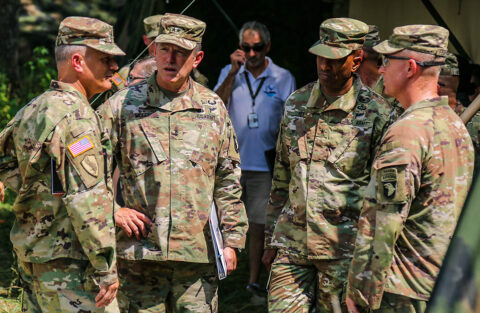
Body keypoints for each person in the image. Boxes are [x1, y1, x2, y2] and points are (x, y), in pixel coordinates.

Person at [97, 13, 248, 312]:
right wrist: (112, 209)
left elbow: (228, 177)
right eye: (165, 49)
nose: (171, 58)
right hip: (139, 256)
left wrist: (232, 240)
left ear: (197, 58)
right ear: (153, 50)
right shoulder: (123, 104)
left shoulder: (212, 108)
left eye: (181, 52)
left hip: (197, 258)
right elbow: (88, 172)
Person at [261, 18, 393, 313]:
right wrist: (271, 238)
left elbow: (383, 194)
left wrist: (374, 256)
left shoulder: (377, 114)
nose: (324, 66)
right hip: (292, 245)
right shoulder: (297, 103)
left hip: (343, 250)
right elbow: (282, 175)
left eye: (334, 59)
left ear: (357, 59)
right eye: (321, 56)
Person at [346, 25, 474, 313]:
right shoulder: (454, 125)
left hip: (402, 291)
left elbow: (384, 223)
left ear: (410, 68)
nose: (381, 70)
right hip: (444, 284)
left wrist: (360, 290)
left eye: (388, 61)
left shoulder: (407, 132)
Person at [0, 16, 125, 312]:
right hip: (71, 268)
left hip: (33, 259)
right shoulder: (78, 119)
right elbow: (86, 200)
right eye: (106, 59)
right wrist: (105, 267)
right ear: (78, 61)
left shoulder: (34, 108)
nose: (115, 67)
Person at [214, 21, 295, 300]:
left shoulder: (282, 77)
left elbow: (290, 120)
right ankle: (222, 275)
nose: (251, 53)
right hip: (231, 163)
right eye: (246, 48)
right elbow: (214, 108)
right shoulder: (230, 72)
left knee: (259, 225)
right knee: (224, 220)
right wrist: (233, 74)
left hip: (264, 163)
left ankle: (252, 282)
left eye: (257, 47)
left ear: (267, 47)